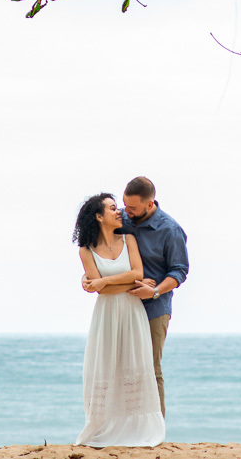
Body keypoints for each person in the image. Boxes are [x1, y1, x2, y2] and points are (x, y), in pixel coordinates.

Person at [82, 176, 189, 418]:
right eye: (123, 205)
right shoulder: (124, 219)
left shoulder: (170, 230)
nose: (125, 212)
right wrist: (88, 275)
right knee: (119, 368)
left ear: (149, 204)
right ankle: (123, 424)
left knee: (150, 368)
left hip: (154, 306)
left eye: (132, 208)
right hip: (119, 305)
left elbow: (179, 271)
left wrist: (155, 290)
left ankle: (154, 426)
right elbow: (104, 249)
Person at [72, 193, 165, 447]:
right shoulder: (86, 250)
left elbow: (138, 273)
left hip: (133, 312)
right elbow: (102, 290)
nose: (118, 212)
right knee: (106, 366)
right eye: (112, 208)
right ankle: (104, 427)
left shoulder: (129, 239)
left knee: (134, 364)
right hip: (107, 315)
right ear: (99, 216)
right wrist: (110, 284)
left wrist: (105, 280)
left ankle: (137, 429)